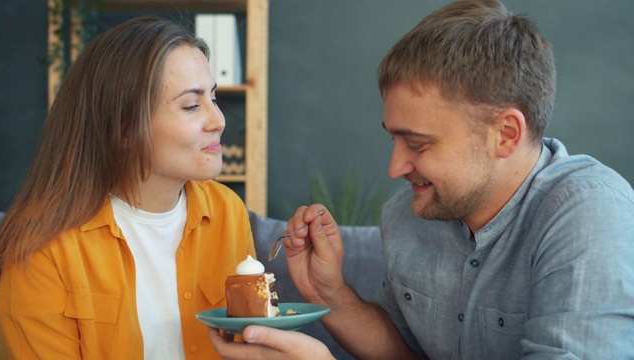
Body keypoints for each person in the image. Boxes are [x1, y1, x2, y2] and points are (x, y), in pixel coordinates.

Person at [208, 0, 634, 359]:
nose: (395, 168)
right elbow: (403, 352)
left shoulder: (590, 215)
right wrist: (328, 294)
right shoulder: (410, 216)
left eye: (418, 144)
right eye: (395, 139)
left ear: (505, 134)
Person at [0, 16, 257, 359]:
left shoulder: (227, 211)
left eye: (213, 98)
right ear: (123, 129)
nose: (219, 120)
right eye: (192, 105)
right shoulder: (40, 249)